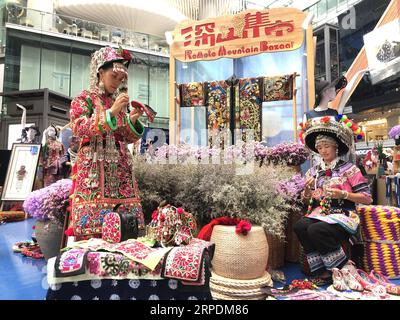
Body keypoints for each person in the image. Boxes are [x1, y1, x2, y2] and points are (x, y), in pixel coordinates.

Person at [69, 46, 145, 239]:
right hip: (94, 166)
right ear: (100, 72)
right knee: (92, 232)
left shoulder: (117, 102)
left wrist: (132, 120)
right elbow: (79, 127)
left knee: (127, 227)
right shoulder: (84, 98)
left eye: (121, 80)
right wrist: (110, 113)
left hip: (120, 167)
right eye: (114, 77)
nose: (117, 83)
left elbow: (126, 136)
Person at [294, 117, 372, 287]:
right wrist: (307, 191)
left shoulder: (350, 169)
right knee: (300, 226)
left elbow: (367, 198)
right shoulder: (313, 172)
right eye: (319, 147)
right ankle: (321, 271)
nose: (322, 151)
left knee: (317, 229)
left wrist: (343, 194)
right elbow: (307, 200)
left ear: (336, 147)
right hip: (320, 214)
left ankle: (344, 267)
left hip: (344, 216)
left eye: (326, 146)